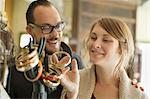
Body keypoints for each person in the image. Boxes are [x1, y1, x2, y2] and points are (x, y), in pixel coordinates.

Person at [6, 0, 83, 99]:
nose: (55, 34)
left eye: (58, 26)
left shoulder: (75, 63)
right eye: (46, 27)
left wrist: (72, 94)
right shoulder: (13, 70)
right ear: (30, 30)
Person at [60, 17, 148, 99]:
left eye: (106, 40)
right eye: (93, 37)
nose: (95, 44)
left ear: (123, 48)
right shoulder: (74, 81)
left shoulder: (138, 96)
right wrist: (71, 95)